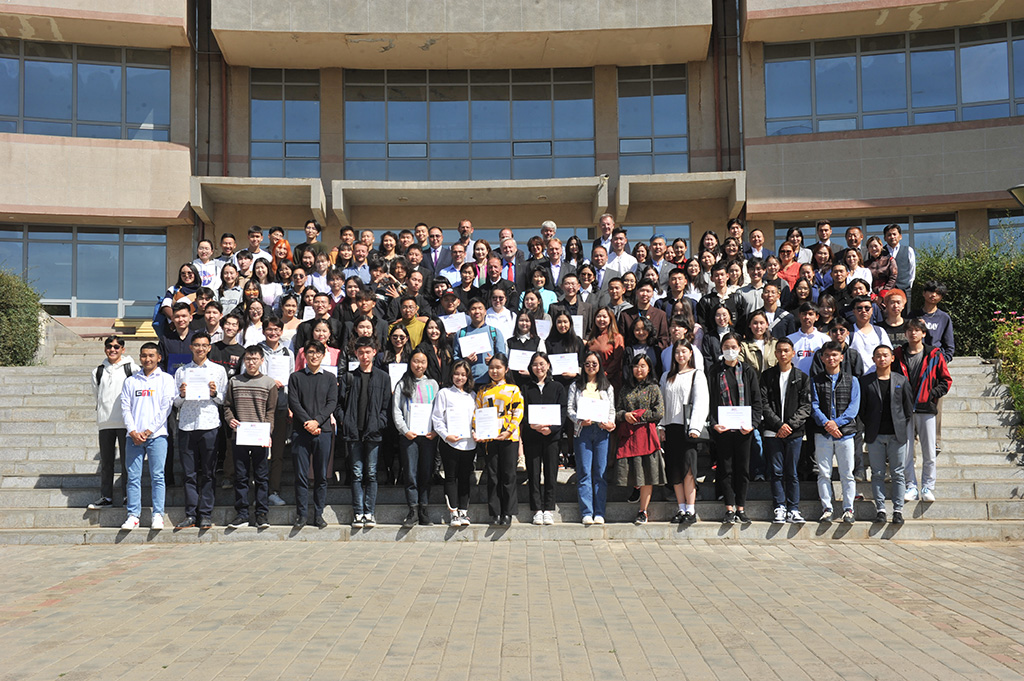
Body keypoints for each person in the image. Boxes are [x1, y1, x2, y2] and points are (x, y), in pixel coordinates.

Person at [171, 331, 228, 530]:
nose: (200, 349)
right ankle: (190, 514)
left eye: (204, 345)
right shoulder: (182, 371)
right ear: (191, 347)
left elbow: (223, 399)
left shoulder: (218, 370)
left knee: (209, 472)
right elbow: (175, 402)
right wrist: (182, 394)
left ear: (209, 347)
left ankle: (205, 514)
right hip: (187, 425)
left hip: (209, 424)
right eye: (197, 345)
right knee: (189, 473)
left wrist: (214, 393)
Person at [118, 342, 175, 530]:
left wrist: (149, 430)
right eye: (144, 355)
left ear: (159, 357)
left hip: (157, 436)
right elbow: (125, 408)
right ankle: (133, 515)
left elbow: (166, 408)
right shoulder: (131, 381)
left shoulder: (166, 379)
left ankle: (158, 514)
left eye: (151, 355)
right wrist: (133, 431)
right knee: (133, 477)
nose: (147, 359)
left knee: (158, 476)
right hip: (133, 437)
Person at [707, 332, 762, 524]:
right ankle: (729, 508)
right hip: (722, 429)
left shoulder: (747, 371)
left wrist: (753, 424)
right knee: (725, 468)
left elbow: (757, 401)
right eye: (726, 347)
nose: (730, 350)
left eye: (733, 347)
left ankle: (741, 508)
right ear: (721, 349)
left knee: (743, 469)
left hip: (744, 429)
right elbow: (710, 400)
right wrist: (713, 423)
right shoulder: (715, 371)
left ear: (739, 348)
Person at [895, 319, 952, 503]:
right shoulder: (898, 354)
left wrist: (931, 394)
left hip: (926, 408)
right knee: (906, 451)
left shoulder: (934, 354)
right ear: (905, 333)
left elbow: (946, 380)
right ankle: (911, 486)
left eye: (917, 330)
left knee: (929, 451)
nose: (913, 333)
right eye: (909, 330)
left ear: (924, 333)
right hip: (905, 409)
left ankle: (928, 486)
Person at [223, 344, 278, 530]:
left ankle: (261, 513)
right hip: (240, 435)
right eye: (248, 359)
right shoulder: (234, 381)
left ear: (262, 361)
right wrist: (230, 419)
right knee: (241, 476)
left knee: (261, 476)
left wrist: (268, 433)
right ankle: (242, 514)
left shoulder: (269, 383)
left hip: (260, 436)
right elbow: (227, 406)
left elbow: (271, 411)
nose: (251, 362)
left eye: (255, 359)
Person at [338, 337, 390, 528]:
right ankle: (358, 512)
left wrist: (380, 422)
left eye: (368, 352)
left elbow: (386, 406)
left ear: (374, 352)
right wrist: (345, 420)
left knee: (372, 473)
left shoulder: (383, 377)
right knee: (357, 474)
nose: (365, 356)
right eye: (361, 352)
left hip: (373, 432)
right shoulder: (349, 377)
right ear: (356, 354)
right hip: (353, 431)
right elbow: (339, 404)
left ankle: (370, 512)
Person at [861, 345, 914, 525]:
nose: (882, 359)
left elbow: (908, 409)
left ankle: (898, 510)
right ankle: (881, 509)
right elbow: (862, 410)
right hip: (875, 435)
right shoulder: (866, 382)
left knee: (898, 473)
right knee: (877, 473)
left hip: (896, 435)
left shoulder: (901, 380)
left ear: (892, 358)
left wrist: (900, 425)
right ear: (873, 359)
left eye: (885, 355)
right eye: (878, 356)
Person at [288, 340, 338, 530]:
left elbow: (332, 403)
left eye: (318, 352)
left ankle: (318, 514)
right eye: (310, 352)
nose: (314, 356)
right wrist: (308, 423)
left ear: (323, 355)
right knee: (301, 475)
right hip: (300, 432)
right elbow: (294, 402)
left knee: (321, 476)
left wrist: (317, 421)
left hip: (323, 431)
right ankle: (301, 514)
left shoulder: (330, 378)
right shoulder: (296, 377)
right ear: (304, 355)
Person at [760, 338, 811, 524]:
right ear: (775, 353)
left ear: (792, 353)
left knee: (792, 472)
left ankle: (794, 509)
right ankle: (779, 507)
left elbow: (806, 406)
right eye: (779, 351)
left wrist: (789, 425)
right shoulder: (767, 376)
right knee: (776, 471)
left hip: (794, 432)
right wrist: (778, 425)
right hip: (772, 432)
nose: (783, 354)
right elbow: (763, 403)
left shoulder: (802, 377)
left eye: (786, 350)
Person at [810, 340, 861, 524]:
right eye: (827, 355)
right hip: (823, 434)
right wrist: (827, 424)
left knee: (847, 473)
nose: (831, 358)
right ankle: (827, 508)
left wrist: (836, 424)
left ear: (841, 357)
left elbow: (853, 408)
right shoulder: (815, 381)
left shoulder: (852, 380)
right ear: (822, 358)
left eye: (834, 355)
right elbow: (814, 405)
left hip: (845, 434)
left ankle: (848, 509)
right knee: (824, 473)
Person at [659, 340, 709, 525]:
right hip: (671, 427)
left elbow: (701, 401)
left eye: (684, 352)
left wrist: (695, 427)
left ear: (690, 354)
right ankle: (680, 508)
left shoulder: (697, 374)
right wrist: (661, 426)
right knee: (674, 469)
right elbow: (662, 403)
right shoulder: (666, 376)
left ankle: (691, 509)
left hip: (687, 428)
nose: (680, 355)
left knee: (688, 469)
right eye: (677, 352)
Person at [613, 354, 665, 525]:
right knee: (633, 469)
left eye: (643, 366)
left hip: (647, 435)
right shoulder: (625, 388)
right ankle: (636, 488)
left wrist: (639, 415)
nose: (639, 369)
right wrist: (624, 415)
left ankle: (643, 510)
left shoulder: (653, 388)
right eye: (636, 366)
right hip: (629, 435)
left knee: (647, 473)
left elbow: (659, 412)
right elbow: (617, 411)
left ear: (649, 368)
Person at [88, 335, 139, 511]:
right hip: (105, 423)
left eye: (117, 347)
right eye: (109, 346)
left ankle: (128, 496)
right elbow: (97, 395)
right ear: (105, 349)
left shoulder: (132, 368)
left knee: (127, 462)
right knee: (106, 463)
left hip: (126, 423)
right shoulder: (98, 371)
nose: (112, 349)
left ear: (123, 349)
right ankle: (106, 496)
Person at [475, 354, 525, 526]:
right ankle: (495, 512)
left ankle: (508, 512)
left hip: (509, 437)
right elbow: (477, 412)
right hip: (489, 437)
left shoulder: (513, 389)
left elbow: (518, 412)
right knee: (493, 475)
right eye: (491, 368)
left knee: (508, 475)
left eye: (498, 367)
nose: (494, 371)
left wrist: (508, 430)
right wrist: (476, 430)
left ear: (506, 369)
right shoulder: (483, 391)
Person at [567, 352, 616, 525]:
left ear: (600, 365)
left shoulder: (606, 386)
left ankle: (600, 512)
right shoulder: (576, 385)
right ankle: (587, 512)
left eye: (594, 363)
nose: (591, 367)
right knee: (584, 472)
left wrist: (610, 423)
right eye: (587, 363)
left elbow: (611, 409)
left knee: (600, 472)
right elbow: (570, 409)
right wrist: (579, 420)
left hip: (601, 432)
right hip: (583, 432)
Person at [393, 348, 440, 527]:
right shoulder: (402, 384)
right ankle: (412, 509)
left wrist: (435, 431)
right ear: (410, 363)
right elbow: (397, 410)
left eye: (422, 362)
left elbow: (439, 410)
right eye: (415, 361)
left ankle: (424, 510)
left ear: (427, 364)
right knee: (411, 473)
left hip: (428, 436)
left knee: (426, 473)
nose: (419, 365)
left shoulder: (433, 385)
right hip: (409, 436)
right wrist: (404, 430)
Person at [521, 352, 567, 525]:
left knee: (550, 473)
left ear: (548, 365)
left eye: (541, 364)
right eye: (535, 364)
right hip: (531, 436)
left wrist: (551, 429)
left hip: (552, 437)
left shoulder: (558, 387)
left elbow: (562, 412)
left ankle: (548, 509)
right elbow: (522, 411)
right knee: (533, 473)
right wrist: (532, 425)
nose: (538, 367)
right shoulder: (526, 388)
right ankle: (536, 510)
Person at [432, 360, 477, 527]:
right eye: (457, 374)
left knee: (465, 477)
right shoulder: (444, 393)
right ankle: (453, 513)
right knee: (450, 477)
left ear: (468, 377)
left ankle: (464, 511)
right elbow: (437, 418)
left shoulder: (472, 395)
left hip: (469, 443)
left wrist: (476, 432)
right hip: (449, 443)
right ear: (451, 375)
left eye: (463, 375)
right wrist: (446, 436)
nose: (460, 377)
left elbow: (477, 418)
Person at [257, 317, 294, 508]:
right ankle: (259, 490)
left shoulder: (288, 352)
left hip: (280, 404)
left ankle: (274, 491)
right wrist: (269, 380)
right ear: (264, 331)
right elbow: (249, 373)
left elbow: (291, 380)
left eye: (277, 330)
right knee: (259, 451)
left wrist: (290, 406)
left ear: (281, 331)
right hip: (259, 406)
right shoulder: (256, 350)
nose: (273, 333)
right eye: (270, 329)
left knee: (278, 451)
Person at [454, 298, 507, 386]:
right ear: (468, 312)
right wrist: (465, 361)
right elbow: (455, 357)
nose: (477, 311)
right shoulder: (461, 333)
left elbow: (503, 356)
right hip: (467, 381)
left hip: (490, 380)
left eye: (480, 308)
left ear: (485, 311)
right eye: (473, 309)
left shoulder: (494, 332)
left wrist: (493, 360)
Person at [913, 281, 955, 363]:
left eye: (938, 293)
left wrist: (943, 360)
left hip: (936, 359)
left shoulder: (944, 318)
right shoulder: (913, 315)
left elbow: (949, 345)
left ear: (941, 297)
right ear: (924, 293)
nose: (934, 295)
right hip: (916, 360)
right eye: (931, 291)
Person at [884, 223, 916, 294]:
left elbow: (912, 270)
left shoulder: (908, 250)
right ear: (885, 238)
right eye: (889, 235)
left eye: (894, 234)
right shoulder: (881, 252)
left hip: (904, 289)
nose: (892, 237)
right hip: (886, 290)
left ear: (900, 236)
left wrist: (909, 285)